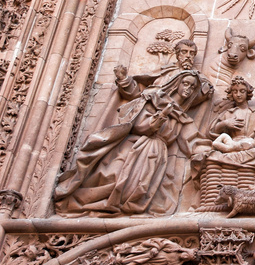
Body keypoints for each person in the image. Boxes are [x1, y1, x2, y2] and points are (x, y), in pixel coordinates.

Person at [55, 71, 209, 216]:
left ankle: (119, 206)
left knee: (139, 188)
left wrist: (210, 152)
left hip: (156, 154)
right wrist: (161, 115)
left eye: (193, 87)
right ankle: (79, 201)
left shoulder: (181, 117)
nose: (188, 89)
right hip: (137, 147)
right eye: (186, 83)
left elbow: (192, 140)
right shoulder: (155, 101)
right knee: (113, 177)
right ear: (176, 84)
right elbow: (138, 125)